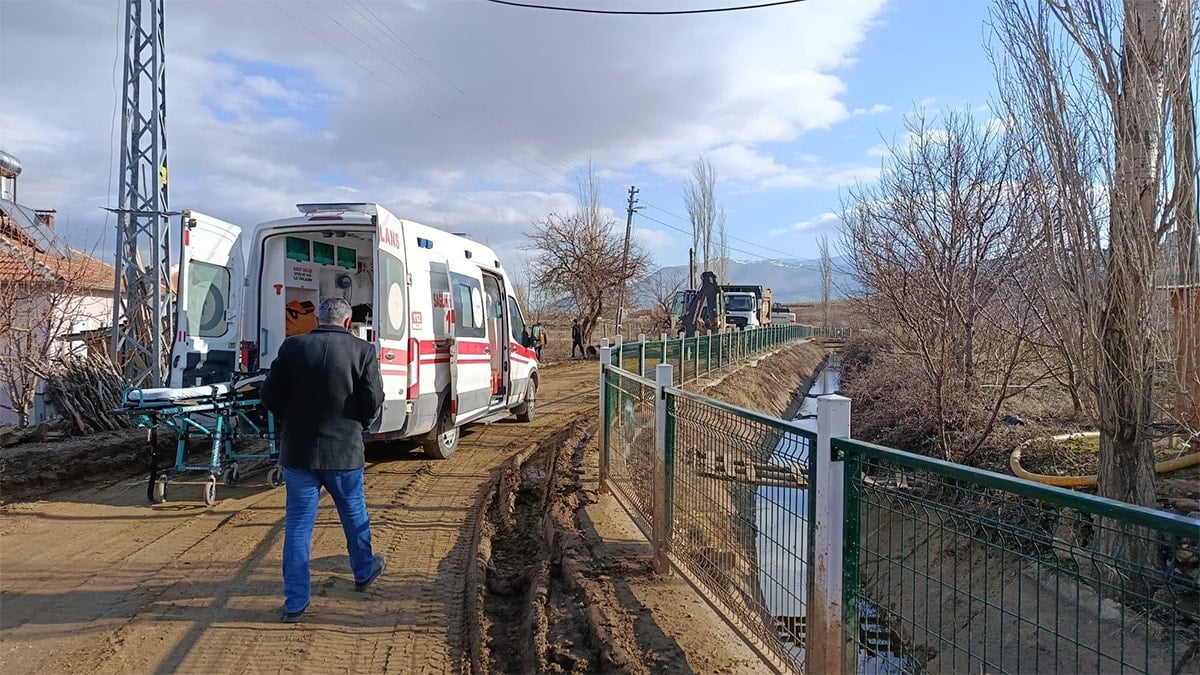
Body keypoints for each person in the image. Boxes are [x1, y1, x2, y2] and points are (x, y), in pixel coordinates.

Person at [261, 297, 387, 623]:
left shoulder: (292, 347)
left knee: (298, 528)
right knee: (354, 516)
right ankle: (363, 571)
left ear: (317, 318)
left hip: (299, 453)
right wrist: (357, 424)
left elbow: (269, 396)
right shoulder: (362, 351)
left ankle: (295, 603)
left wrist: (291, 419)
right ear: (348, 322)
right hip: (344, 452)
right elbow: (372, 400)